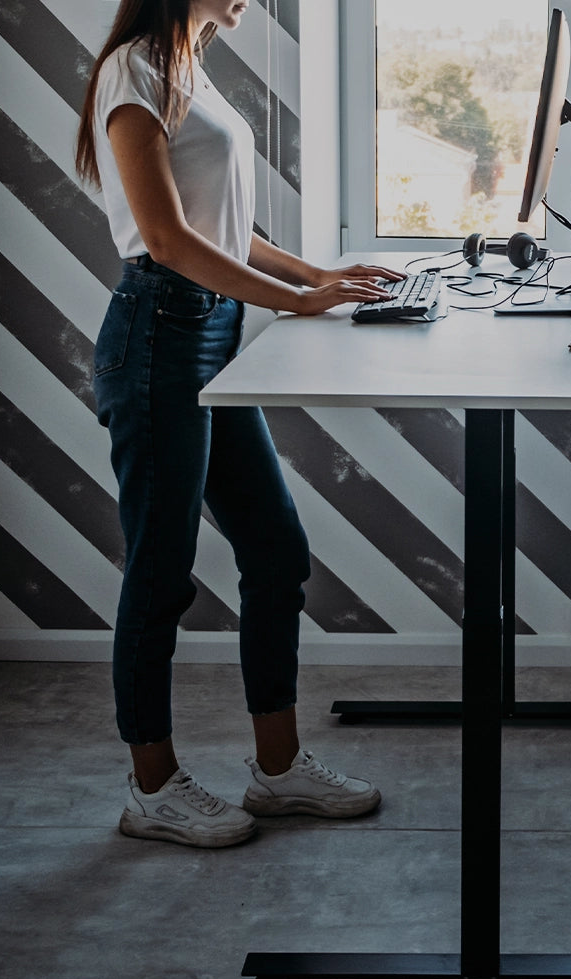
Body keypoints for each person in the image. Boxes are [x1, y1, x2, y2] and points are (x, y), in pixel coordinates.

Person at [75, 0, 401, 848]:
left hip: (212, 331)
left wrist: (319, 274)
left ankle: (278, 771)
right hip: (156, 337)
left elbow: (228, 230)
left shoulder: (191, 68)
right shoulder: (132, 72)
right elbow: (166, 238)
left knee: (274, 548)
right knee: (161, 572)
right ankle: (152, 788)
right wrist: (298, 301)